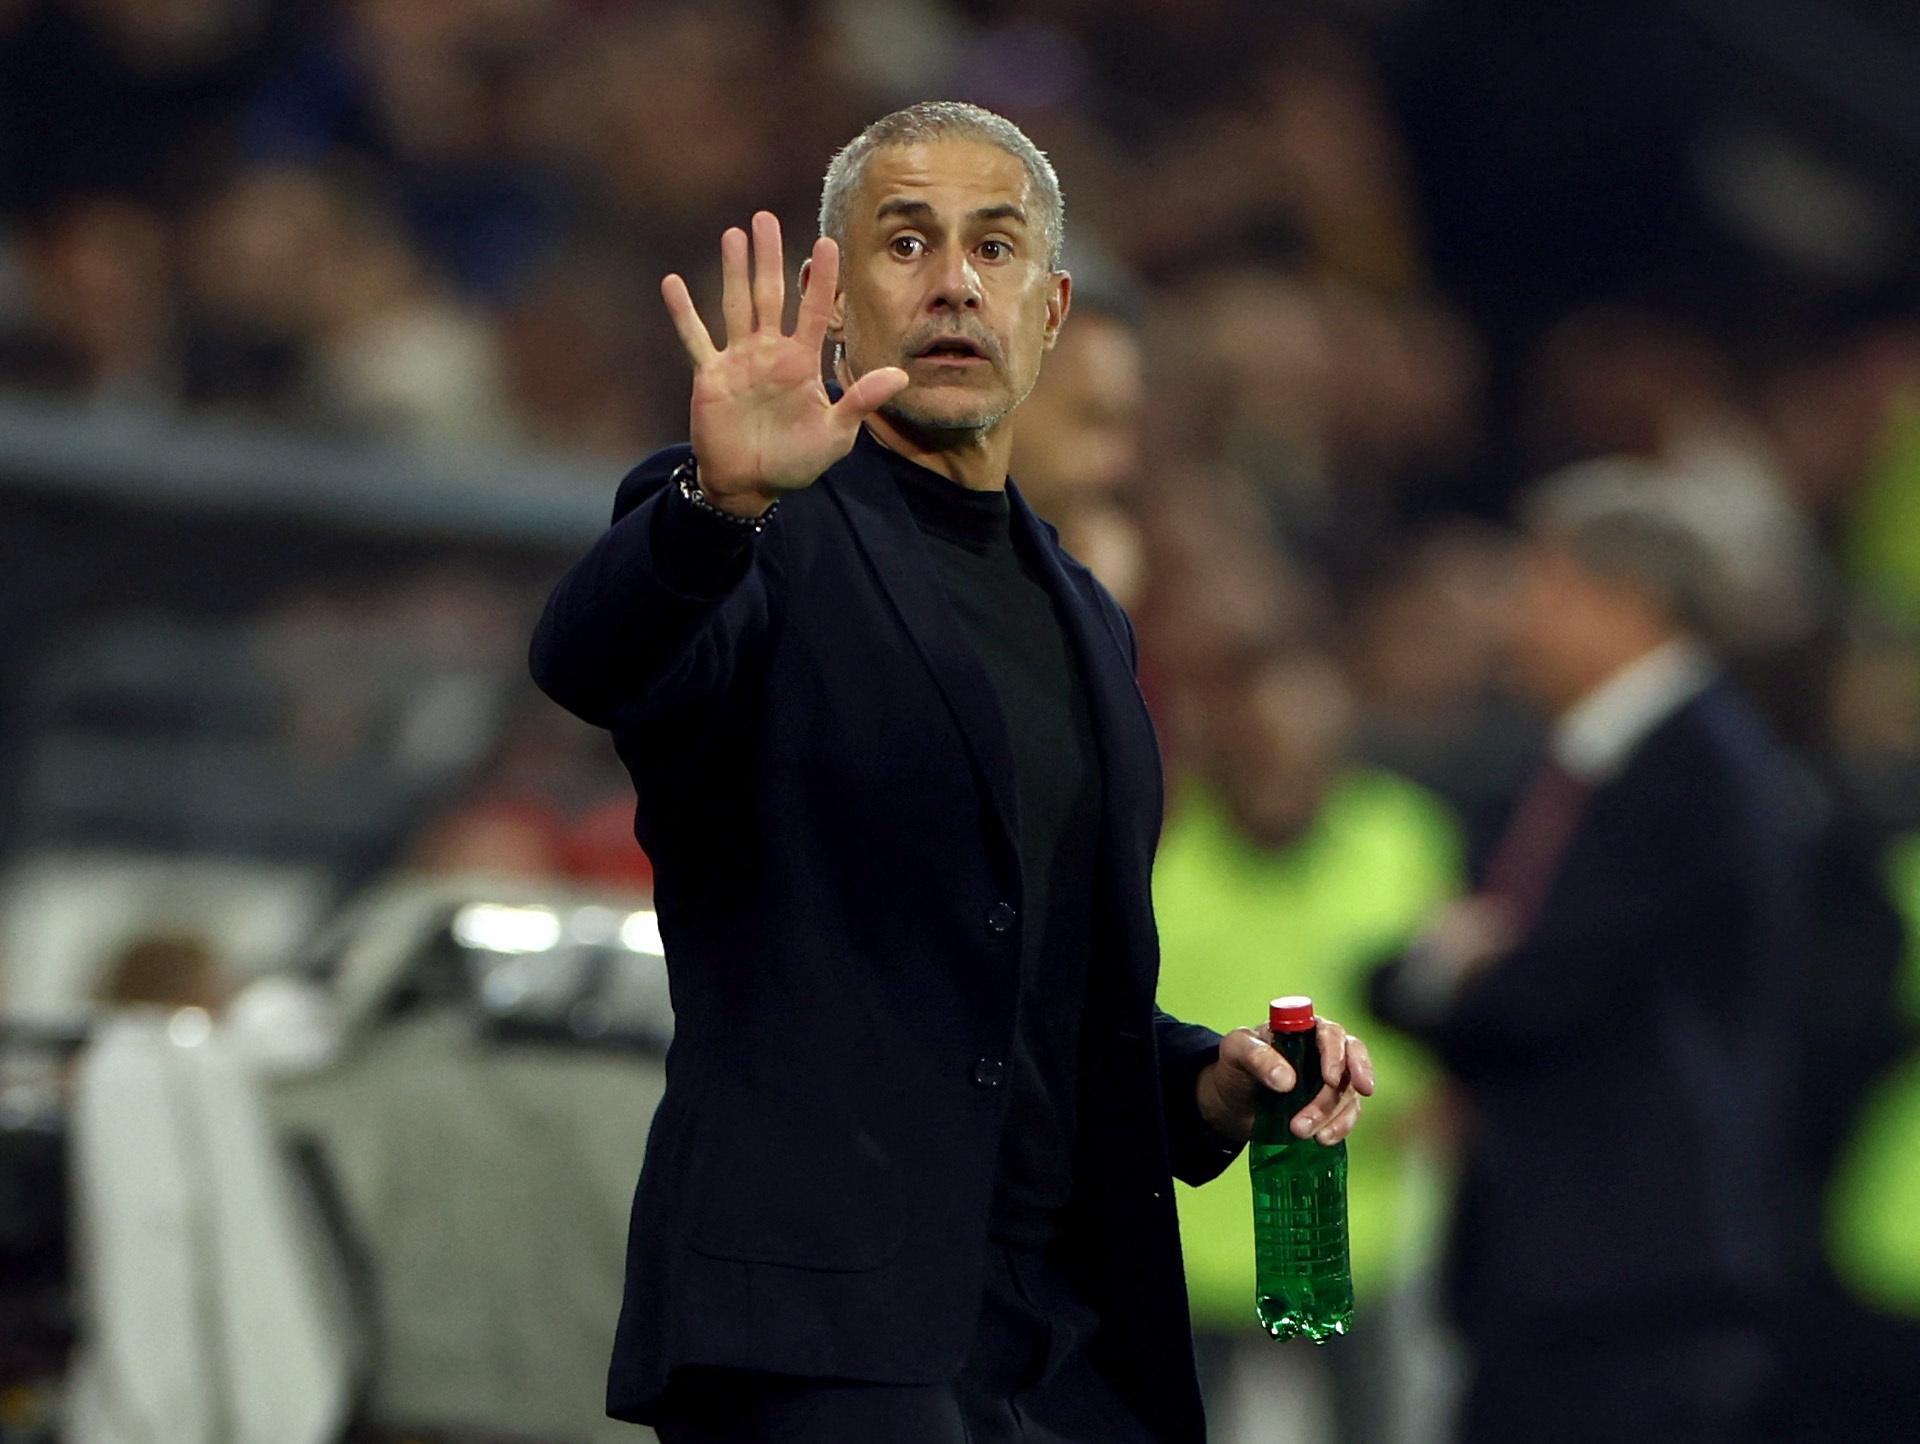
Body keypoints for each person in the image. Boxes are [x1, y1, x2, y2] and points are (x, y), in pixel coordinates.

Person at [529, 101, 1374, 1444]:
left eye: (995, 248)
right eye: (906, 243)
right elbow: (594, 660)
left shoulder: (1084, 615)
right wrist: (715, 506)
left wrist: (1198, 1085)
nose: (954, 284)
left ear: (1049, 310)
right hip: (825, 1341)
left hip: (1056, 1338)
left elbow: (1029, 992)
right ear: (840, 299)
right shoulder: (766, 529)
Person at [1370, 471, 1816, 1444]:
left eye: (1536, 586)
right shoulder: (1571, 760)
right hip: (1553, 1272)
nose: (1511, 620)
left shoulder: (1702, 769)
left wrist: (1438, 979)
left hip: (1640, 1274)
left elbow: (1542, 989)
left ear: (1619, 598)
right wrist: (1445, 972)